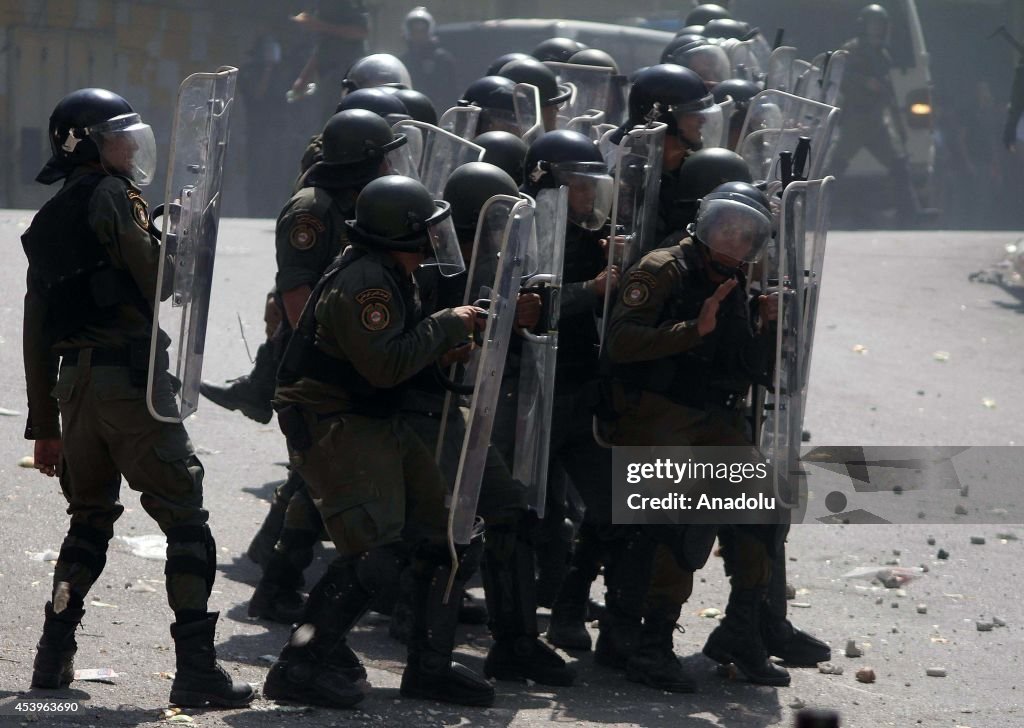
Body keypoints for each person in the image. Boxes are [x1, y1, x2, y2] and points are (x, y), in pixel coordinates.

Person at [22, 88, 254, 708]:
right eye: (117, 134)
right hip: (129, 385)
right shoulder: (112, 196)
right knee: (186, 518)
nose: (130, 144)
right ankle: (198, 670)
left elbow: (36, 334)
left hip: (77, 394)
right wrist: (180, 236)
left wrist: (46, 426)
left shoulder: (47, 220)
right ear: (89, 146)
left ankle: (52, 657)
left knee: (89, 521)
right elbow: (162, 282)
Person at [262, 175, 493, 708]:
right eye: (428, 232)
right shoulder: (365, 283)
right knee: (373, 554)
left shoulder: (391, 272)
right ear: (401, 235)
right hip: (335, 420)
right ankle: (300, 665)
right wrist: (444, 326)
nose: (436, 241)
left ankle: (429, 667)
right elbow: (384, 365)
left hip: (372, 413)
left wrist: (440, 349)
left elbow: (392, 357)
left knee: (448, 537)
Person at [602, 184, 791, 689]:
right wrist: (692, 329)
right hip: (652, 414)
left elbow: (749, 367)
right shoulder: (664, 269)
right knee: (680, 520)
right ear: (706, 227)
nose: (736, 239)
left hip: (708, 417)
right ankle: (652, 647)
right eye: (728, 228)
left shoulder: (734, 280)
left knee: (766, 506)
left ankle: (740, 631)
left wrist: (768, 326)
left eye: (747, 234)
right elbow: (619, 343)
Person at [830, 4, 934, 222]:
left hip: (877, 121)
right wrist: (865, 82)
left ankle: (910, 212)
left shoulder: (883, 55)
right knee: (836, 168)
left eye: (880, 25)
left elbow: (889, 94)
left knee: (899, 165)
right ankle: (816, 209)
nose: (876, 29)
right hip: (856, 120)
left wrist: (898, 123)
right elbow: (840, 77)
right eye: (873, 24)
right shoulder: (851, 51)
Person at [289, 1, 370, 126]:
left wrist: (320, 25)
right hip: (327, 80)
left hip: (349, 77)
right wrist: (304, 77)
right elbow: (323, 47)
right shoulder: (321, 6)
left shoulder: (347, 4)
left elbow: (360, 32)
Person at [400, 7, 459, 110]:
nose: (419, 35)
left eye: (422, 31)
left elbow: (452, 91)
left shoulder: (443, 59)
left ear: (429, 31)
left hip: (438, 112)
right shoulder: (404, 61)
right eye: (415, 31)